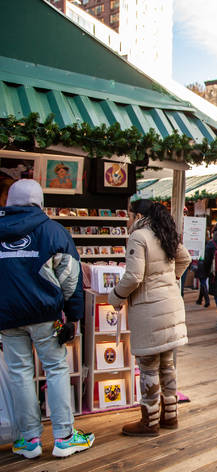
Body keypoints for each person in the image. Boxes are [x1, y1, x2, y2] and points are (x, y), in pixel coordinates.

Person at [0, 179, 94, 458]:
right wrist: (73, 317)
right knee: (55, 368)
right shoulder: (53, 231)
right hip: (45, 314)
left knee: (19, 374)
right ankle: (64, 437)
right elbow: (71, 277)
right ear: (40, 202)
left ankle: (29, 440)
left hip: (6, 317)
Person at [108, 199, 191, 436]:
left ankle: (150, 421)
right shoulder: (165, 232)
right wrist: (169, 281)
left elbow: (134, 276)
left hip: (149, 310)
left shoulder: (139, 236)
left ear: (137, 215)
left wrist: (115, 296)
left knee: (148, 367)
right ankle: (170, 415)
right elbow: (184, 258)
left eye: (128, 214)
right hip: (171, 306)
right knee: (167, 364)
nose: (127, 219)